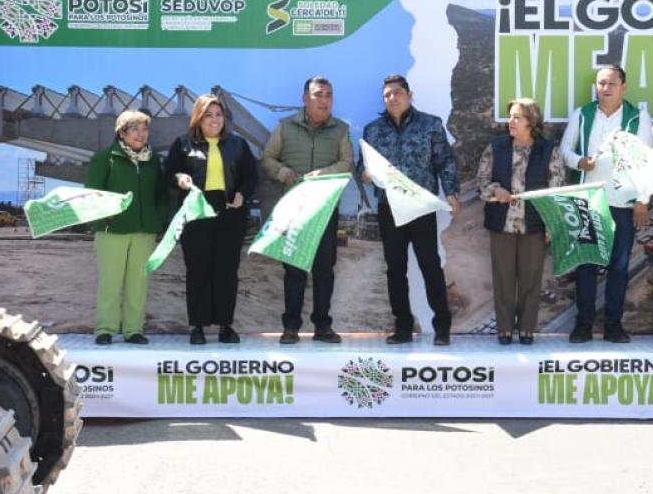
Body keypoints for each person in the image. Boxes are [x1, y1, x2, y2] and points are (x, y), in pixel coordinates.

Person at [360, 74, 460, 345]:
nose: (392, 98)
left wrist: (451, 193)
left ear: (409, 94)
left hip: (420, 207)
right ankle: (403, 327)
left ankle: (442, 327)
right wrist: (366, 174)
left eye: (397, 93)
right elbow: (363, 166)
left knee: (430, 266)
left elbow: (445, 161)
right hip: (388, 209)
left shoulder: (430, 125)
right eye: (387, 95)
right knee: (395, 269)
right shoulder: (373, 130)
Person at [558, 64, 653, 343]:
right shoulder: (583, 114)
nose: (606, 88)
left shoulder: (638, 117)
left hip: (623, 203)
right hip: (588, 199)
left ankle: (613, 325)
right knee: (586, 265)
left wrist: (642, 201)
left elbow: (646, 162)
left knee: (619, 268)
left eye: (612, 83)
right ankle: (583, 325)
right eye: (601, 83)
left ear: (624, 86)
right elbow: (565, 150)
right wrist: (579, 161)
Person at [260, 76, 354, 345]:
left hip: (325, 211)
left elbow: (348, 163)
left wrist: (322, 174)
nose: (324, 100)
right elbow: (266, 158)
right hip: (294, 210)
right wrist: (281, 172)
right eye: (318, 94)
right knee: (294, 271)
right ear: (305, 99)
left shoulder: (341, 130)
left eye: (328, 95)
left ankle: (323, 326)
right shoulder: (285, 127)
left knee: (324, 270)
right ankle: (291, 327)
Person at [166, 94, 258, 345]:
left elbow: (251, 176)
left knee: (227, 271)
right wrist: (180, 179)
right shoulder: (183, 144)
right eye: (209, 115)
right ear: (198, 117)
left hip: (230, 213)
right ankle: (197, 326)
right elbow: (169, 173)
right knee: (198, 270)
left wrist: (242, 194)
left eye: (218, 115)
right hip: (196, 213)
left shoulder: (238, 145)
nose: (215, 119)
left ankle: (226, 326)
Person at [477, 98, 567, 345]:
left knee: (531, 278)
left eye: (517, 117)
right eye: (511, 116)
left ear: (531, 121)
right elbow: (481, 183)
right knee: (503, 277)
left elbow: (555, 191)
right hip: (501, 224)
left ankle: (527, 329)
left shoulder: (549, 151)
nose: (511, 122)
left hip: (534, 225)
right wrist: (496, 191)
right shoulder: (496, 148)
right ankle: (504, 329)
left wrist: (552, 225)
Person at [85, 109, 166, 345]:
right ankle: (105, 329)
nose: (141, 134)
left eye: (144, 129)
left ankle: (133, 330)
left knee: (138, 283)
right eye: (134, 129)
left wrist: (158, 218)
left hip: (144, 230)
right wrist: (107, 216)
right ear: (121, 133)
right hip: (112, 230)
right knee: (110, 281)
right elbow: (93, 193)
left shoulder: (153, 161)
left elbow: (161, 194)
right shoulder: (104, 158)